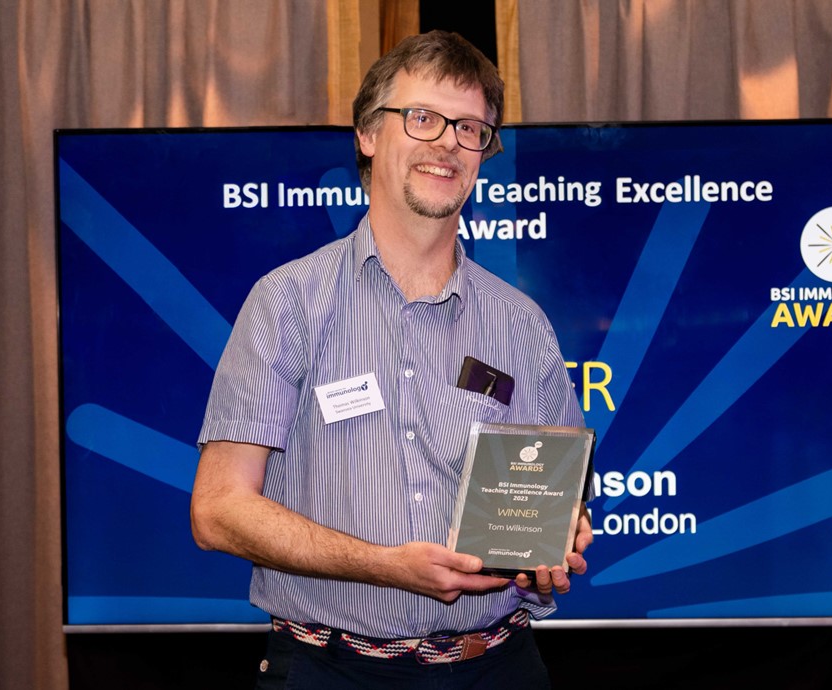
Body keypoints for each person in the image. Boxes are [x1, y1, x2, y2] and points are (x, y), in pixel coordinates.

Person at [190, 30, 589, 689]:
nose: (446, 144)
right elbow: (218, 509)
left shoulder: (522, 323)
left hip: (499, 668)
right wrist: (387, 565)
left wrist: (557, 539)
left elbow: (554, 496)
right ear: (368, 134)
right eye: (423, 118)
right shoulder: (287, 302)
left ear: (485, 153)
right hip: (328, 671)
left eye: (470, 128)